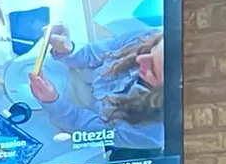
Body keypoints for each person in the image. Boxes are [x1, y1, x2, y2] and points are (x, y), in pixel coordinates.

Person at [27, 25, 165, 150]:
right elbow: (101, 52)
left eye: (153, 69)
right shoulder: (152, 37)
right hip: (71, 72)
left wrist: (52, 102)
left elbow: (83, 125)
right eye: (151, 49)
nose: (140, 59)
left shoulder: (151, 133)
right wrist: (68, 50)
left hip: (75, 117)